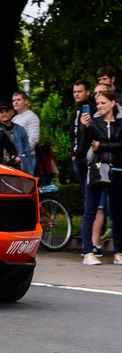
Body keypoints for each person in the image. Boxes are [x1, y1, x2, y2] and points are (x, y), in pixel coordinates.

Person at [79, 90, 122, 265]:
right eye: (98, 103)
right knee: (90, 210)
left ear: (113, 103)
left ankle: (119, 252)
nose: (99, 106)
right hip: (97, 169)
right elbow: (82, 148)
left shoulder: (120, 124)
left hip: (118, 170)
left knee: (118, 214)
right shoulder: (93, 123)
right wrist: (84, 128)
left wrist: (102, 145)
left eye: (103, 102)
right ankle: (87, 251)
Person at [0, 102, 33, 173]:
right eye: (1, 112)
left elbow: (26, 151)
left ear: (12, 112)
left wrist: (21, 158)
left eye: (6, 111)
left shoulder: (20, 130)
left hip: (17, 166)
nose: (4, 114)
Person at [12, 90, 40, 172]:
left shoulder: (32, 117)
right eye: (14, 100)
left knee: (27, 183)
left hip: (27, 158)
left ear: (26, 101)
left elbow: (33, 139)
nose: (15, 102)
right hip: (16, 157)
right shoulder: (15, 118)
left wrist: (22, 154)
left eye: (19, 100)